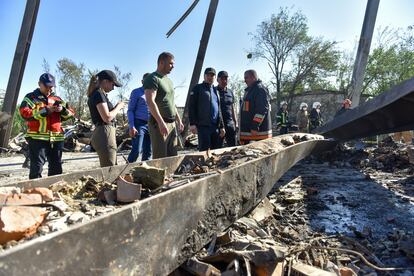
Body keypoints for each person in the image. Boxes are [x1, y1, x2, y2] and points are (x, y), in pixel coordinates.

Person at [19, 73, 75, 179]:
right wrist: (45, 110)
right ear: (39, 84)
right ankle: (35, 193)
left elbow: (70, 114)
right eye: (47, 86)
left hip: (56, 139)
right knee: (37, 168)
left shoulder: (58, 99)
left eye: (51, 86)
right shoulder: (31, 97)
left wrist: (62, 110)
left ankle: (53, 192)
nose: (50, 89)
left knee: (56, 168)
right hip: (37, 139)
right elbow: (24, 114)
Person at [144, 52, 184, 159]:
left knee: (172, 158)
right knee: (160, 159)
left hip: (171, 124)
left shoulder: (169, 81)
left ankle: (170, 176)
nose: (173, 66)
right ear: (161, 63)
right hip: (159, 124)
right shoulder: (153, 78)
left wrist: (179, 121)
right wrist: (161, 122)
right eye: (170, 63)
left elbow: (171, 102)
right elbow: (150, 101)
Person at [87, 70, 125, 167]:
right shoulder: (98, 94)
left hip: (104, 133)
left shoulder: (98, 94)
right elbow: (107, 117)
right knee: (110, 170)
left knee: (112, 167)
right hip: (104, 133)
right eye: (113, 84)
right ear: (105, 81)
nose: (113, 88)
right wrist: (119, 107)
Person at [189, 67, 225, 151]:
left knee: (216, 152)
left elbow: (218, 110)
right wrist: (192, 123)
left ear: (215, 77)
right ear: (204, 76)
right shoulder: (197, 88)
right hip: (203, 127)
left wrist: (221, 126)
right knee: (204, 152)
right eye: (208, 75)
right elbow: (191, 106)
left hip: (215, 127)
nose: (210, 77)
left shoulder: (216, 91)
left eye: (212, 75)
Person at [239, 70, 272, 144]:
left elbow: (262, 110)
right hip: (250, 134)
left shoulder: (260, 89)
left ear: (253, 77)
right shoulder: (251, 90)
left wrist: (255, 126)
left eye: (246, 78)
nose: (245, 81)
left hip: (257, 134)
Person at [127, 73, 152, 163]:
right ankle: (125, 172)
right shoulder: (136, 92)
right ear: (142, 81)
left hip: (151, 125)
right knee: (136, 151)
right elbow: (130, 110)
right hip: (139, 124)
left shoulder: (154, 93)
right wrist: (131, 126)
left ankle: (144, 173)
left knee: (148, 152)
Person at [217, 70, 238, 147]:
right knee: (217, 148)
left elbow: (232, 107)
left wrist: (236, 122)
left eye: (226, 79)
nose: (224, 81)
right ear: (217, 80)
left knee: (233, 147)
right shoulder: (214, 91)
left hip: (230, 124)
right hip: (219, 125)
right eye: (222, 79)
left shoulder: (230, 92)